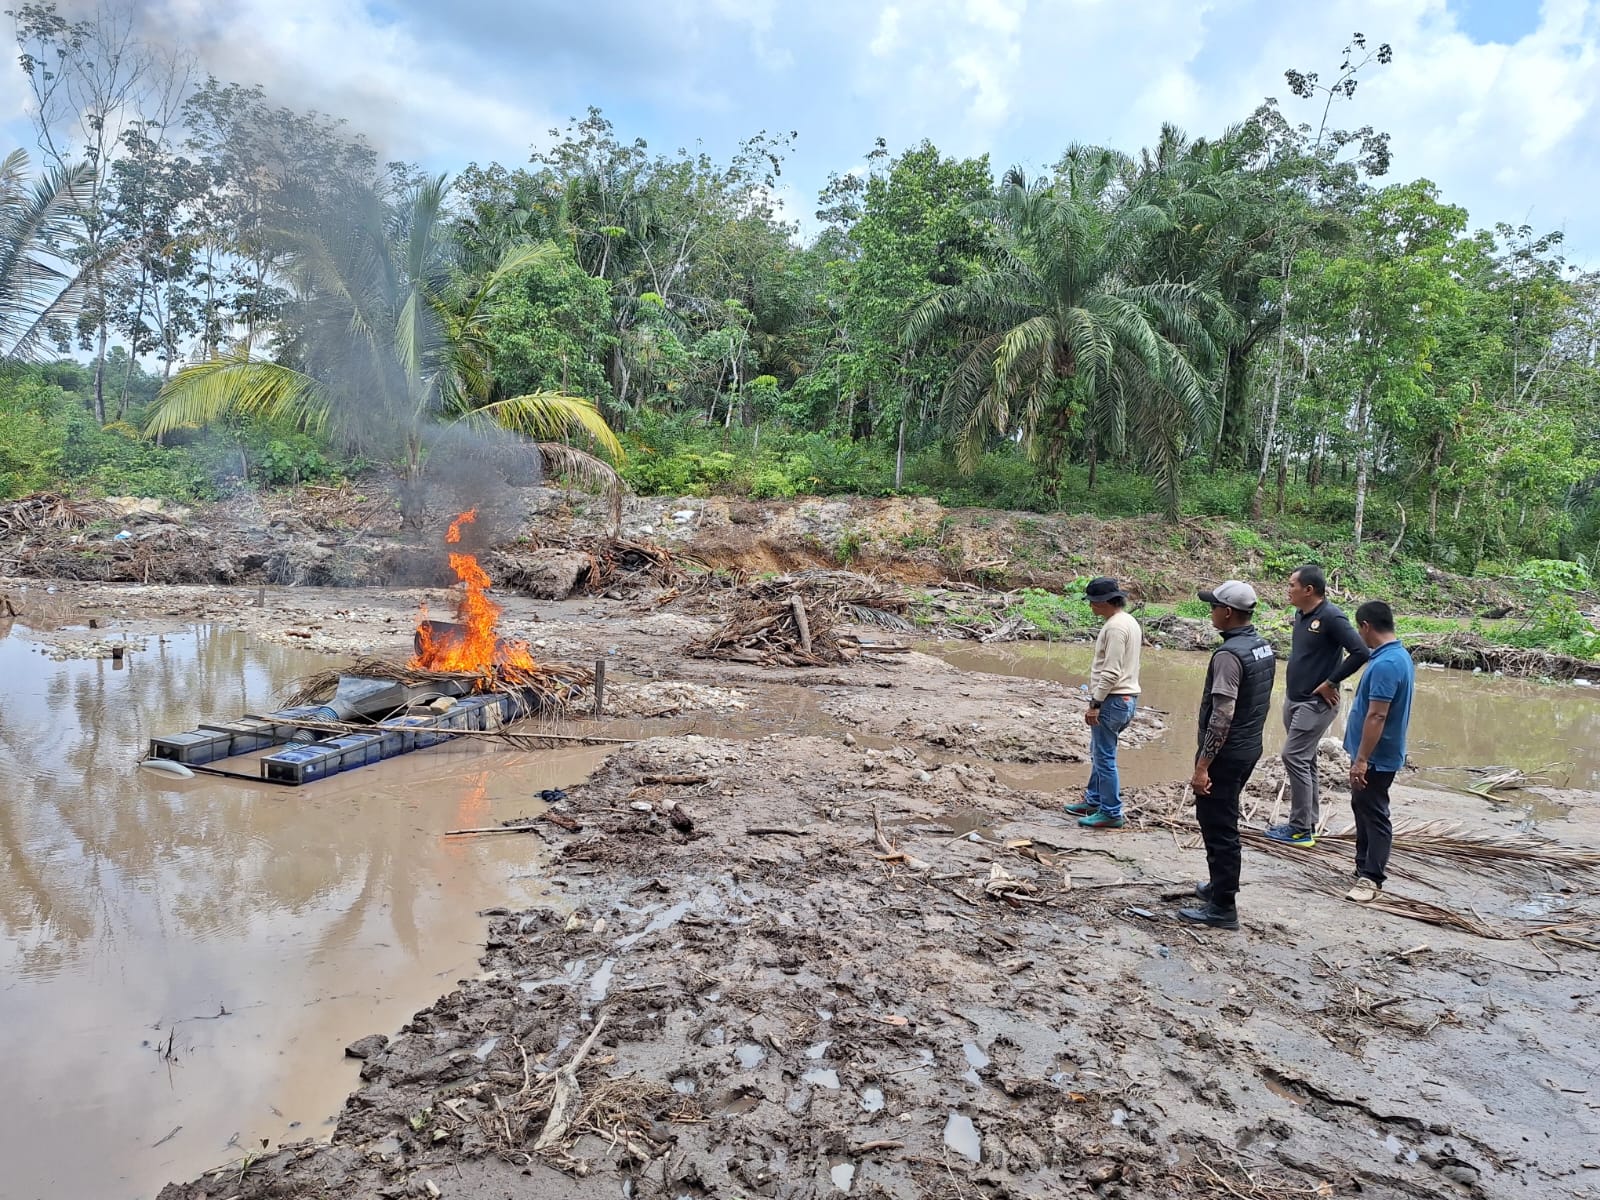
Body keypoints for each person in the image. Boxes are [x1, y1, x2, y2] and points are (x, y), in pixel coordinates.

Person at [1177, 580, 1277, 930]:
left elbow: (1222, 716)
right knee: (1222, 820)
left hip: (1226, 754)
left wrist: (1203, 766)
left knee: (1218, 827)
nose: (1211, 612)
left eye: (1214, 607)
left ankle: (1223, 907)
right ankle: (1218, 887)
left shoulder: (1228, 656)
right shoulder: (1262, 646)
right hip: (1249, 748)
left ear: (1229, 612)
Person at [1269, 564, 1369, 847]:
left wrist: (1332, 682)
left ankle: (1300, 829)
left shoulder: (1331, 616)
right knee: (1306, 759)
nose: (1288, 590)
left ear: (1308, 590)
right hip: (1294, 699)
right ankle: (1306, 823)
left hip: (1315, 703)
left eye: (1292, 585)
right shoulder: (1301, 614)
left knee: (1293, 756)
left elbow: (1360, 652)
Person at [1342, 600, 1415, 903]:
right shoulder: (1396, 655)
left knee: (1374, 812)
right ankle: (1363, 865)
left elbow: (1377, 715)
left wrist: (1362, 760)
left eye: (1359, 630)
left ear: (1365, 627)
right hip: (1374, 753)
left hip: (1376, 756)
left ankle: (1372, 877)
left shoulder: (1386, 664)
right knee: (1362, 806)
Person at [1064, 577, 1141, 830]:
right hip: (1124, 699)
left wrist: (1095, 703)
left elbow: (1111, 672)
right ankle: (1095, 799)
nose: (1091, 607)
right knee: (1100, 752)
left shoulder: (1116, 628)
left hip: (1113, 699)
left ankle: (1110, 812)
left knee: (1104, 757)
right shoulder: (1127, 622)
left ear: (1105, 602)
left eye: (1093, 602)